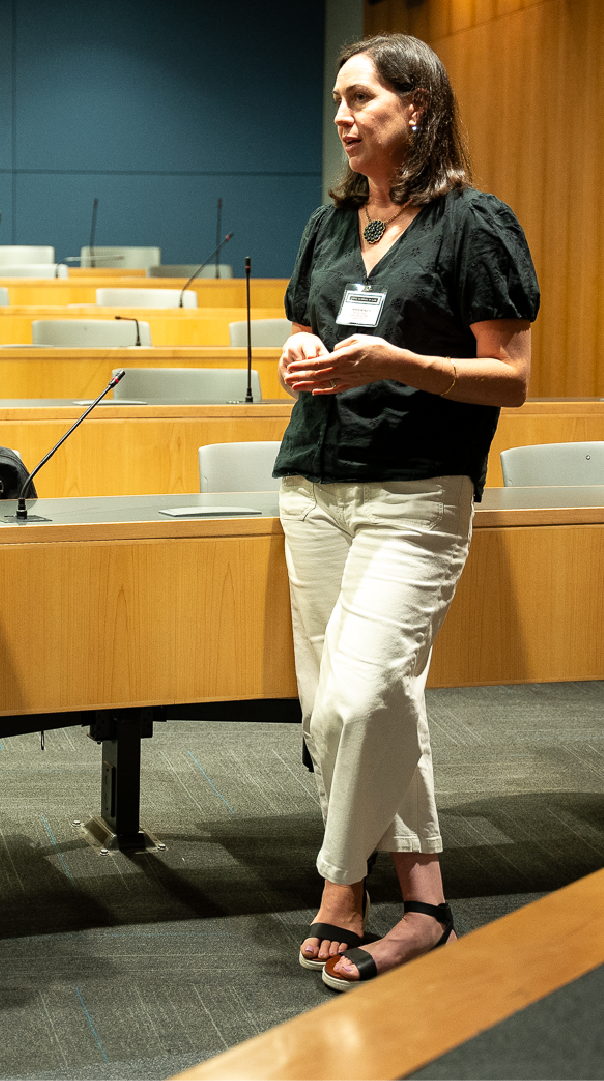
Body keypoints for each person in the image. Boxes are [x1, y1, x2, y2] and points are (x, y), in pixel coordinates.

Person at [273, 34, 539, 991]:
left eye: (361, 98)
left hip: (417, 490)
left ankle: (341, 885)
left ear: (417, 106)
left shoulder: (475, 223)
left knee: (361, 695)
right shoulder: (331, 221)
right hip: (313, 482)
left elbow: (508, 379)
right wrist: (297, 352)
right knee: (353, 712)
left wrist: (397, 363)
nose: (342, 116)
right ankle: (424, 904)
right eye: (337, 100)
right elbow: (305, 317)